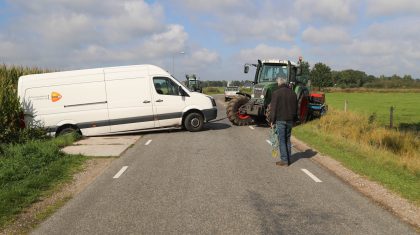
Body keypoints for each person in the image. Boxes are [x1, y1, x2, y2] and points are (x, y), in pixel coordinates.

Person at [269, 76, 298, 166]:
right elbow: (296, 108)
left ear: (279, 83)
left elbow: (273, 109)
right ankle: (288, 159)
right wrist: (294, 120)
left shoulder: (276, 93)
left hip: (280, 120)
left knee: (281, 140)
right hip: (290, 120)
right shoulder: (293, 93)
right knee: (287, 139)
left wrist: (272, 121)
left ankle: (284, 160)